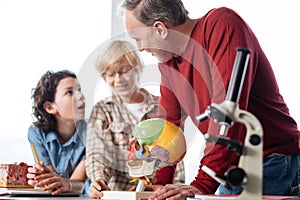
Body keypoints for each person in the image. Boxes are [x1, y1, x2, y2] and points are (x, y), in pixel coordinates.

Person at [121, 0, 300, 199]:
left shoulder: (221, 24)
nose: (139, 48)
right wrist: (160, 186)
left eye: (138, 38)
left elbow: (226, 112)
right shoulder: (169, 62)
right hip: (229, 169)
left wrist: (202, 184)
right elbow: (168, 128)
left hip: (271, 161)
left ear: (160, 29)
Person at [85, 40, 185, 199]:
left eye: (124, 71)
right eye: (110, 74)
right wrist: (98, 179)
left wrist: (166, 186)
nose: (118, 79)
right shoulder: (102, 110)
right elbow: (98, 154)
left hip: (161, 195)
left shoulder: (163, 105)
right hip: (121, 195)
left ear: (137, 69)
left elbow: (174, 153)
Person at [26, 70, 90, 196]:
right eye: (70, 92)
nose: (81, 96)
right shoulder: (36, 133)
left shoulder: (93, 132)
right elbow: (52, 183)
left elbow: (78, 184)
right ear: (50, 107)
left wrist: (64, 183)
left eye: (79, 90)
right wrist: (39, 176)